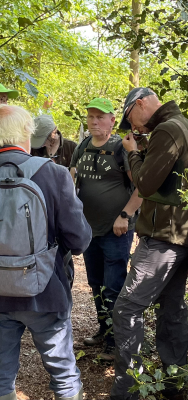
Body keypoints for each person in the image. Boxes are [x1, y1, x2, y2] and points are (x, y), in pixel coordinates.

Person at [109, 87, 188, 400]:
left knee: (126, 310)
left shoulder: (167, 129)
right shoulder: (183, 125)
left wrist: (133, 152)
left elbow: (147, 184)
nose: (134, 129)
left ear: (139, 104)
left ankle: (128, 390)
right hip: (179, 233)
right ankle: (173, 385)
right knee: (172, 310)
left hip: (164, 236)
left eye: (131, 120)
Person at [0, 104, 92, 400]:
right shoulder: (53, 174)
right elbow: (78, 240)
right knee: (63, 376)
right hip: (44, 291)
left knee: (1, 379)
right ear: (27, 134)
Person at [69, 98, 142, 361]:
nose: (94, 121)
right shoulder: (83, 146)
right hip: (89, 230)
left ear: (113, 120)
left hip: (117, 230)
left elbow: (142, 186)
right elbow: (71, 179)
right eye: (90, 117)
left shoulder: (122, 147)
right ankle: (104, 330)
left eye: (100, 117)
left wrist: (125, 215)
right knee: (96, 283)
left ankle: (115, 340)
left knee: (113, 286)